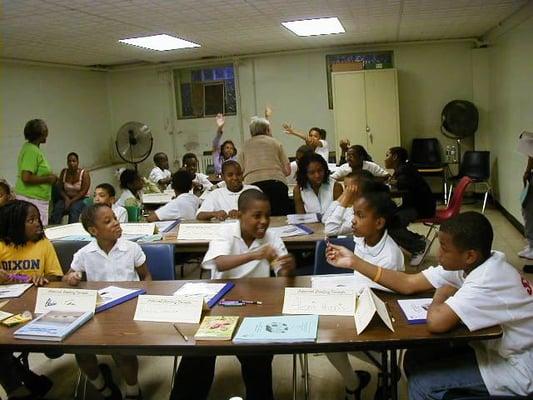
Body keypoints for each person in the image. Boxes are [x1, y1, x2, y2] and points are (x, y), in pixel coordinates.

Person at [326, 211, 533, 399]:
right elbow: (408, 283)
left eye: (444, 248)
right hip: (492, 349)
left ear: (469, 255)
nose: (438, 253)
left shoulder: (488, 278)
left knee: (424, 385)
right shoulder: (473, 262)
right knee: (414, 357)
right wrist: (354, 262)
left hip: (519, 367)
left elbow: (436, 322)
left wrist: (440, 296)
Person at [170, 189, 295, 400]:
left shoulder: (272, 236)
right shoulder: (226, 231)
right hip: (220, 306)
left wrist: (287, 268)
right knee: (198, 354)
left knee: (257, 360)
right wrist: (255, 254)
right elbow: (219, 261)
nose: (263, 221)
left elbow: (282, 274)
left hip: (256, 307)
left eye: (267, 215)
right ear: (240, 215)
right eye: (257, 216)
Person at [63, 204, 151, 400]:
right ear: (94, 231)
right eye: (108, 221)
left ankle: (133, 391)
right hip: (99, 310)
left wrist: (146, 297)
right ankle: (104, 389)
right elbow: (69, 276)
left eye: (115, 218)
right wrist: (71, 278)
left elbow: (146, 276)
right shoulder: (85, 254)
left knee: (122, 352)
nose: (116, 223)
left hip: (129, 308)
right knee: (81, 350)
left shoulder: (131, 248)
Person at [326, 189, 404, 400]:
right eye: (354, 214)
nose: (353, 221)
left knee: (332, 339)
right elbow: (331, 229)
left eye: (360, 216)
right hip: (358, 303)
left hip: (380, 318)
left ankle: (387, 369)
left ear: (379, 223)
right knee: (326, 336)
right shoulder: (363, 238)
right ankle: (354, 383)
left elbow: (385, 301)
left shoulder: (390, 255)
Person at [0, 200, 63, 399]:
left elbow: (56, 277)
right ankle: (20, 388)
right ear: (14, 224)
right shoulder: (2, 245)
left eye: (38, 218)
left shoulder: (43, 244)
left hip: (37, 308)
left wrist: (44, 279)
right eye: (31, 220)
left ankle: (25, 385)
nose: (38, 223)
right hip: (6, 308)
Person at [384, 147, 436, 266]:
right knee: (387, 218)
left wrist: (394, 182)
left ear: (395, 157)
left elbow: (404, 183)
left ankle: (419, 246)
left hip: (420, 208)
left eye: (387, 155)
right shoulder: (403, 168)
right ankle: (419, 240)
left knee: (391, 224)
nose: (385, 159)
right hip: (415, 205)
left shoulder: (405, 170)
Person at [238, 116, 291, 216]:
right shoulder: (276, 143)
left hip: (252, 185)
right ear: (267, 130)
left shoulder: (244, 146)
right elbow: (288, 171)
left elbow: (239, 171)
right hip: (277, 184)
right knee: (280, 217)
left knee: (257, 217)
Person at [15, 119, 58, 225]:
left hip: (34, 198)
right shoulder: (32, 151)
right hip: (32, 199)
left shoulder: (31, 148)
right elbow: (26, 177)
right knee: (37, 233)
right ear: (41, 133)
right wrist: (49, 178)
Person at [322, 170, 377, 236]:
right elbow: (325, 219)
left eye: (348, 189)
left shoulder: (361, 215)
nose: (345, 192)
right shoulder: (351, 208)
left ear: (359, 191)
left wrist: (345, 200)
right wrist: (342, 196)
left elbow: (330, 230)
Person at [50, 152, 91, 224]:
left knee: (74, 209)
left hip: (82, 198)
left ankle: (72, 231)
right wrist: (66, 199)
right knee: (58, 208)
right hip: (67, 197)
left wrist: (71, 201)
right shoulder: (64, 172)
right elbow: (60, 188)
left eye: (74, 161)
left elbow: (83, 191)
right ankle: (54, 229)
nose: (71, 163)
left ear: (78, 162)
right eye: (69, 161)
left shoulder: (84, 173)